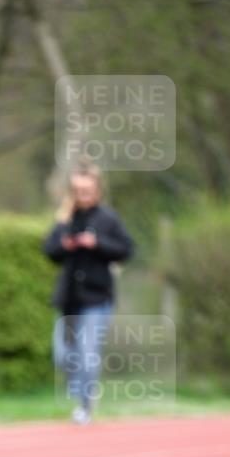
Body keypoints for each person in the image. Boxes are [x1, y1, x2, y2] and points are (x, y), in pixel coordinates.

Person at [44, 165, 134, 424]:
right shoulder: (65, 219)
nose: (82, 195)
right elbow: (49, 250)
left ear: (96, 191)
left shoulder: (108, 219)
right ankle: (79, 389)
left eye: (87, 190)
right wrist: (65, 243)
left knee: (87, 352)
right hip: (69, 298)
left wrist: (98, 244)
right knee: (63, 355)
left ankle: (85, 404)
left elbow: (126, 249)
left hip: (96, 298)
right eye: (77, 191)